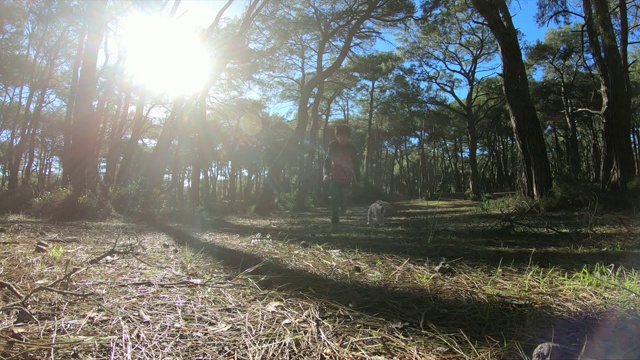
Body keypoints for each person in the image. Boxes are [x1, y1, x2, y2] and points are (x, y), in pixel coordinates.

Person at [324, 124, 361, 228]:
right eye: (340, 136)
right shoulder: (333, 145)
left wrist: (358, 178)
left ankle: (343, 207)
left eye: (345, 137)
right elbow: (328, 160)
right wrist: (326, 173)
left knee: (344, 197)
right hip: (335, 174)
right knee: (334, 195)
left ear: (348, 137)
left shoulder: (352, 148)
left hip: (347, 176)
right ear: (336, 136)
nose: (342, 139)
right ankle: (334, 219)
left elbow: (356, 164)